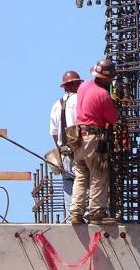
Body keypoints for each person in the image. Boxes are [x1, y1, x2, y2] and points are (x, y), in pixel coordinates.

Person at [69, 59, 119, 225]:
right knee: (98, 175)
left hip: (78, 139)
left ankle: (76, 214)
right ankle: (96, 215)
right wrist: (113, 103)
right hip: (93, 140)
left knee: (81, 176)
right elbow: (113, 118)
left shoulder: (84, 86)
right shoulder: (103, 95)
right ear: (106, 78)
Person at [49, 70, 82, 221]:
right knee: (84, 183)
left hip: (64, 153)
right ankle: (85, 217)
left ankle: (72, 220)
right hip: (79, 151)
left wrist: (61, 151)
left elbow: (55, 134)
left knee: (68, 187)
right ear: (75, 84)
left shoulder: (56, 105)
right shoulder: (80, 100)